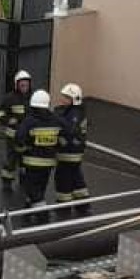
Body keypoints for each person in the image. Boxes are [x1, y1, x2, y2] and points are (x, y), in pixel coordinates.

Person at [15, 90, 64, 221]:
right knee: (40, 188)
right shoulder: (56, 120)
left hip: (32, 162)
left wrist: (22, 150)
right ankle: (28, 212)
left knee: (32, 189)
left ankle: (43, 215)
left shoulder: (29, 121)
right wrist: (58, 146)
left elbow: (19, 138)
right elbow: (68, 133)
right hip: (48, 163)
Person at [54, 83, 91, 217]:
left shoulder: (75, 113)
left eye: (66, 97)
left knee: (63, 179)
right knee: (76, 178)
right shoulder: (76, 111)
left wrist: (57, 120)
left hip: (69, 153)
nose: (63, 99)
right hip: (73, 152)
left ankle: (64, 208)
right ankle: (83, 205)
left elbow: (70, 129)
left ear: (74, 99)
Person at [0, 69, 32, 190]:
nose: (24, 86)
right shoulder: (10, 98)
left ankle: (24, 180)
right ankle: (7, 182)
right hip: (13, 136)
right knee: (11, 160)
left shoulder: (33, 98)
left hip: (27, 136)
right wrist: (7, 120)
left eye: (26, 84)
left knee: (26, 160)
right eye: (22, 84)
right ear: (17, 84)